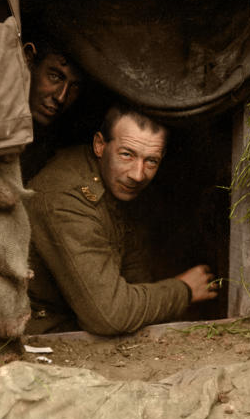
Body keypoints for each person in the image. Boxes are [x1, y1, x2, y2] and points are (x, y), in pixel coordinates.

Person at [23, 103, 218, 336]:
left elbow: (134, 275)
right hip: (45, 335)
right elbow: (110, 316)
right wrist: (184, 290)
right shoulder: (67, 199)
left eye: (151, 161)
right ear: (99, 145)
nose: (137, 174)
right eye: (127, 154)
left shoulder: (114, 182)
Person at [19, 38, 84, 183]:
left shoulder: (62, 144)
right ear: (28, 58)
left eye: (75, 87)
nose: (61, 97)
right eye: (54, 76)